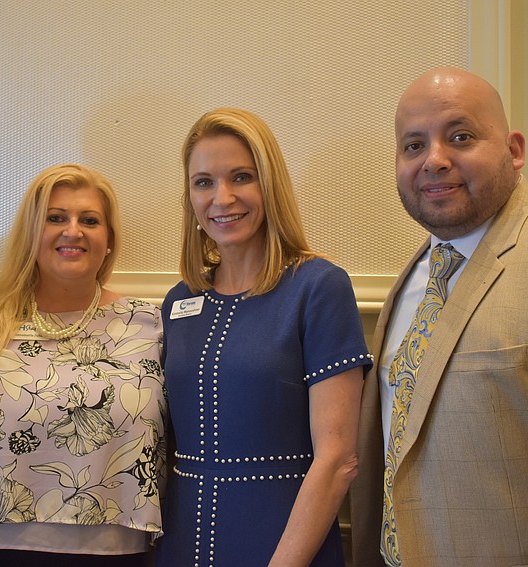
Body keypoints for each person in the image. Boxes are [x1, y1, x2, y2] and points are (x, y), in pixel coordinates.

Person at [350, 67, 528, 566]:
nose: (434, 160)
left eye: (460, 137)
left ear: (514, 150)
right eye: (413, 146)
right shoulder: (418, 271)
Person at [155, 108, 372, 566]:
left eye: (241, 177)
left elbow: (337, 459)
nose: (223, 197)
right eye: (204, 182)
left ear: (270, 185)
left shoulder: (318, 287)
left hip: (284, 546)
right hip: (180, 544)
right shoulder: (179, 301)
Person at [0, 163, 166, 566]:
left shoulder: (148, 326)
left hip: (117, 549)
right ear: (32, 232)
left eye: (90, 220)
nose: (73, 231)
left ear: (109, 240)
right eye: (56, 218)